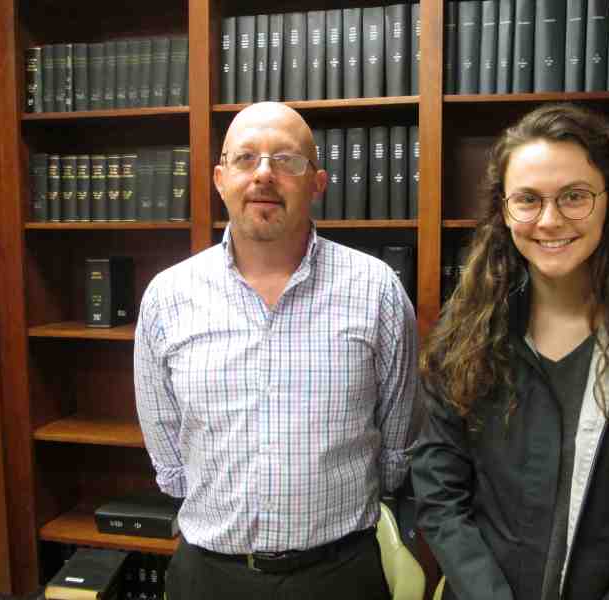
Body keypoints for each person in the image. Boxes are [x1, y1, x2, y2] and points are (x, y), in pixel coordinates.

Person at [412, 104, 609, 600]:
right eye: (527, 200)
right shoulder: (465, 335)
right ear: (504, 211)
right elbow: (439, 491)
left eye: (574, 197)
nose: (550, 221)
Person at [134, 102, 420, 600]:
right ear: (221, 178)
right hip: (209, 577)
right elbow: (169, 452)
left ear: (318, 182)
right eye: (246, 159)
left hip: (339, 575)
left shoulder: (377, 291)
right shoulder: (167, 296)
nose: (264, 174)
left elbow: (396, 446)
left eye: (286, 160)